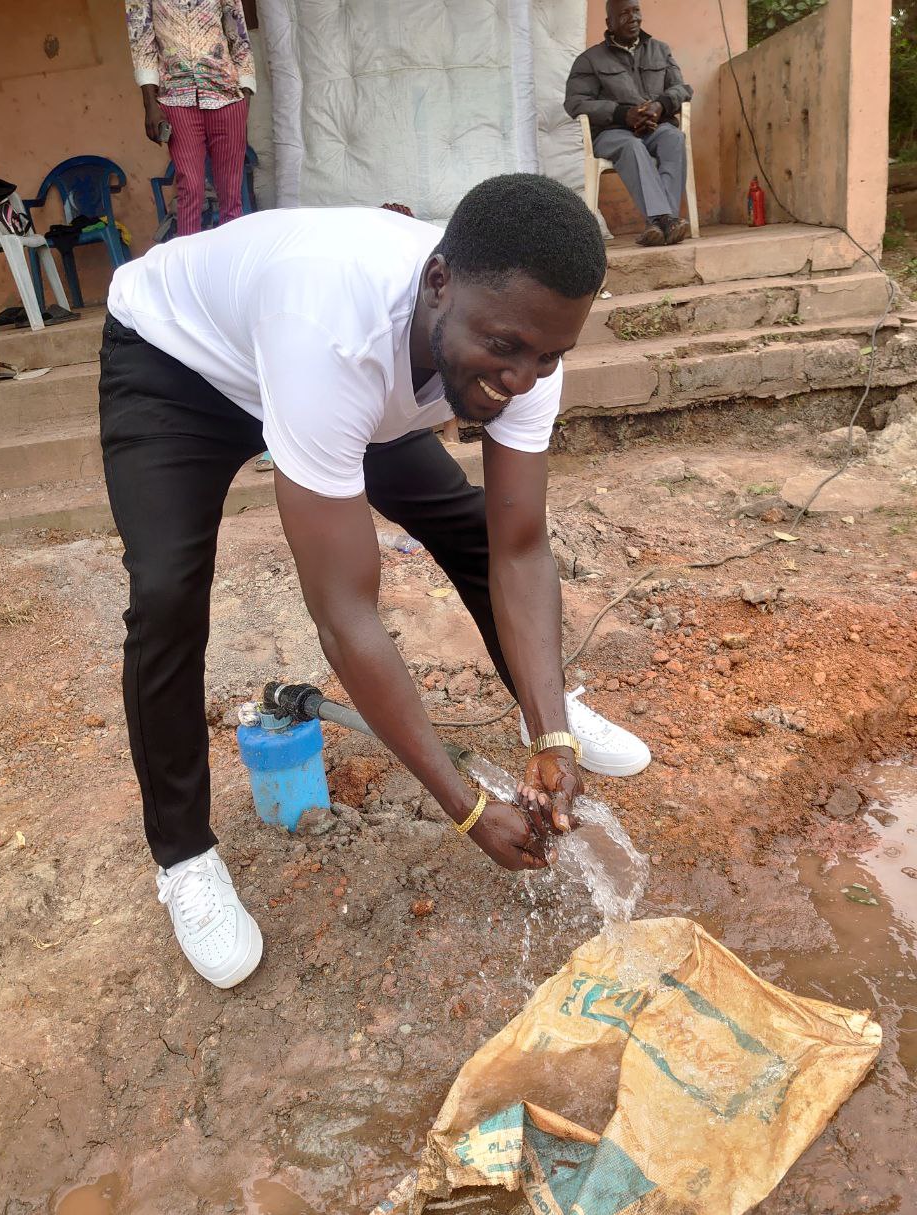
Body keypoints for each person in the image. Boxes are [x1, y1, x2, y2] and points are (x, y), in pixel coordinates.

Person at [100, 174, 652, 990]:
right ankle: (183, 857)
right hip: (181, 367)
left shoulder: (524, 335)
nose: (525, 379)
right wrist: (463, 805)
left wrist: (550, 735)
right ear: (438, 284)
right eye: (505, 349)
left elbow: (522, 543)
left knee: (472, 525)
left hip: (361, 374)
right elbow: (345, 614)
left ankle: (555, 713)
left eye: (550, 356)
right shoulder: (331, 331)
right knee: (168, 593)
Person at [564, 0, 693, 247]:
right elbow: (575, 103)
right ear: (609, 23)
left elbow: (682, 88)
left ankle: (660, 224)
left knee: (674, 139)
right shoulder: (589, 60)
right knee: (632, 147)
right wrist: (623, 114)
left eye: (636, 11)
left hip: (656, 127)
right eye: (624, 14)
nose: (633, 18)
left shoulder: (660, 49)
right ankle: (665, 220)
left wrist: (661, 105)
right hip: (612, 132)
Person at [125, 0, 256, 237]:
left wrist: (245, 92)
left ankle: (231, 265)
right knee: (190, 189)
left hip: (226, 95)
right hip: (176, 97)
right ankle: (189, 268)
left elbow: (237, 31)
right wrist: (150, 104)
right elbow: (141, 41)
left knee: (230, 194)